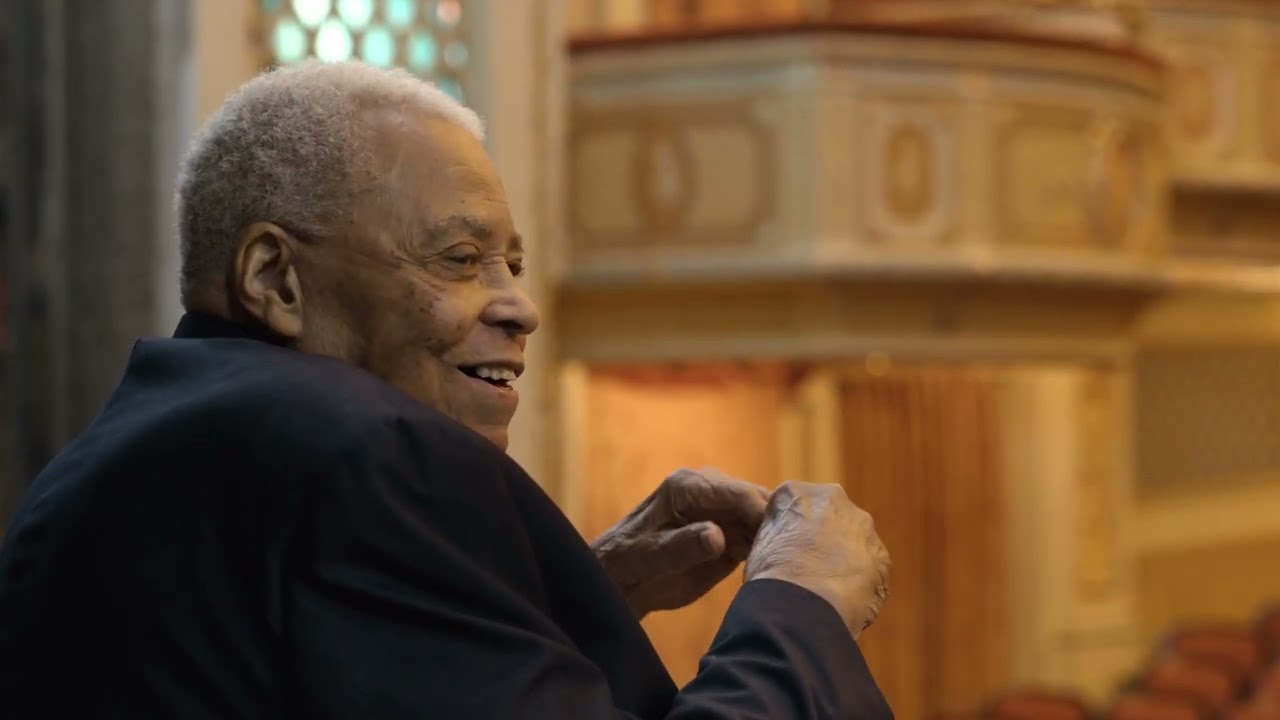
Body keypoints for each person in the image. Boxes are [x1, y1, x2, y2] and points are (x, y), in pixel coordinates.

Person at [0, 61, 893, 719]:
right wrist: (798, 606)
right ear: (275, 278)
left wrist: (566, 598)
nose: (521, 307)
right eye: (459, 259)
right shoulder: (367, 447)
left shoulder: (115, 456)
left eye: (512, 263)